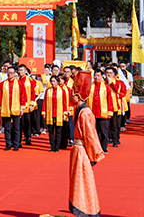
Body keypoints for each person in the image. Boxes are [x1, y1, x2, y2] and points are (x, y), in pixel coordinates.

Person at [68, 70, 105, 217]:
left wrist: (94, 155)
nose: (71, 97)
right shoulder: (80, 111)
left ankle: (87, 209)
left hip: (82, 149)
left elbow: (90, 135)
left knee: (84, 179)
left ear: (79, 96)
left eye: (73, 94)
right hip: (78, 149)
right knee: (79, 179)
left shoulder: (85, 113)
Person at [0, 66, 27, 151]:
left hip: (16, 108)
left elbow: (23, 96)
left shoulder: (19, 83)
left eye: (11, 73)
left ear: (14, 73)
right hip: (6, 108)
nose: (10, 74)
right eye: (8, 73)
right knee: (7, 128)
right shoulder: (3, 84)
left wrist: (22, 107)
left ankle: (16, 144)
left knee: (16, 128)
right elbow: (0, 96)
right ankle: (8, 144)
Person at [86, 69, 113, 153]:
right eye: (95, 75)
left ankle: (104, 147)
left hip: (103, 112)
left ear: (102, 77)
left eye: (98, 76)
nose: (96, 77)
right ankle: (95, 147)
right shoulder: (90, 86)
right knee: (93, 131)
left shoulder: (106, 87)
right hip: (92, 112)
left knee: (104, 131)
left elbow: (110, 100)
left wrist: (110, 111)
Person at [42, 75, 68, 152]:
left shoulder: (62, 91)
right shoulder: (48, 91)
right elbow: (44, 102)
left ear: (57, 82)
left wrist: (64, 113)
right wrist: (44, 112)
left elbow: (64, 103)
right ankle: (52, 146)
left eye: (54, 81)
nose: (53, 83)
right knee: (51, 131)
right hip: (50, 112)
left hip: (58, 113)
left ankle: (57, 147)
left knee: (58, 131)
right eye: (51, 81)